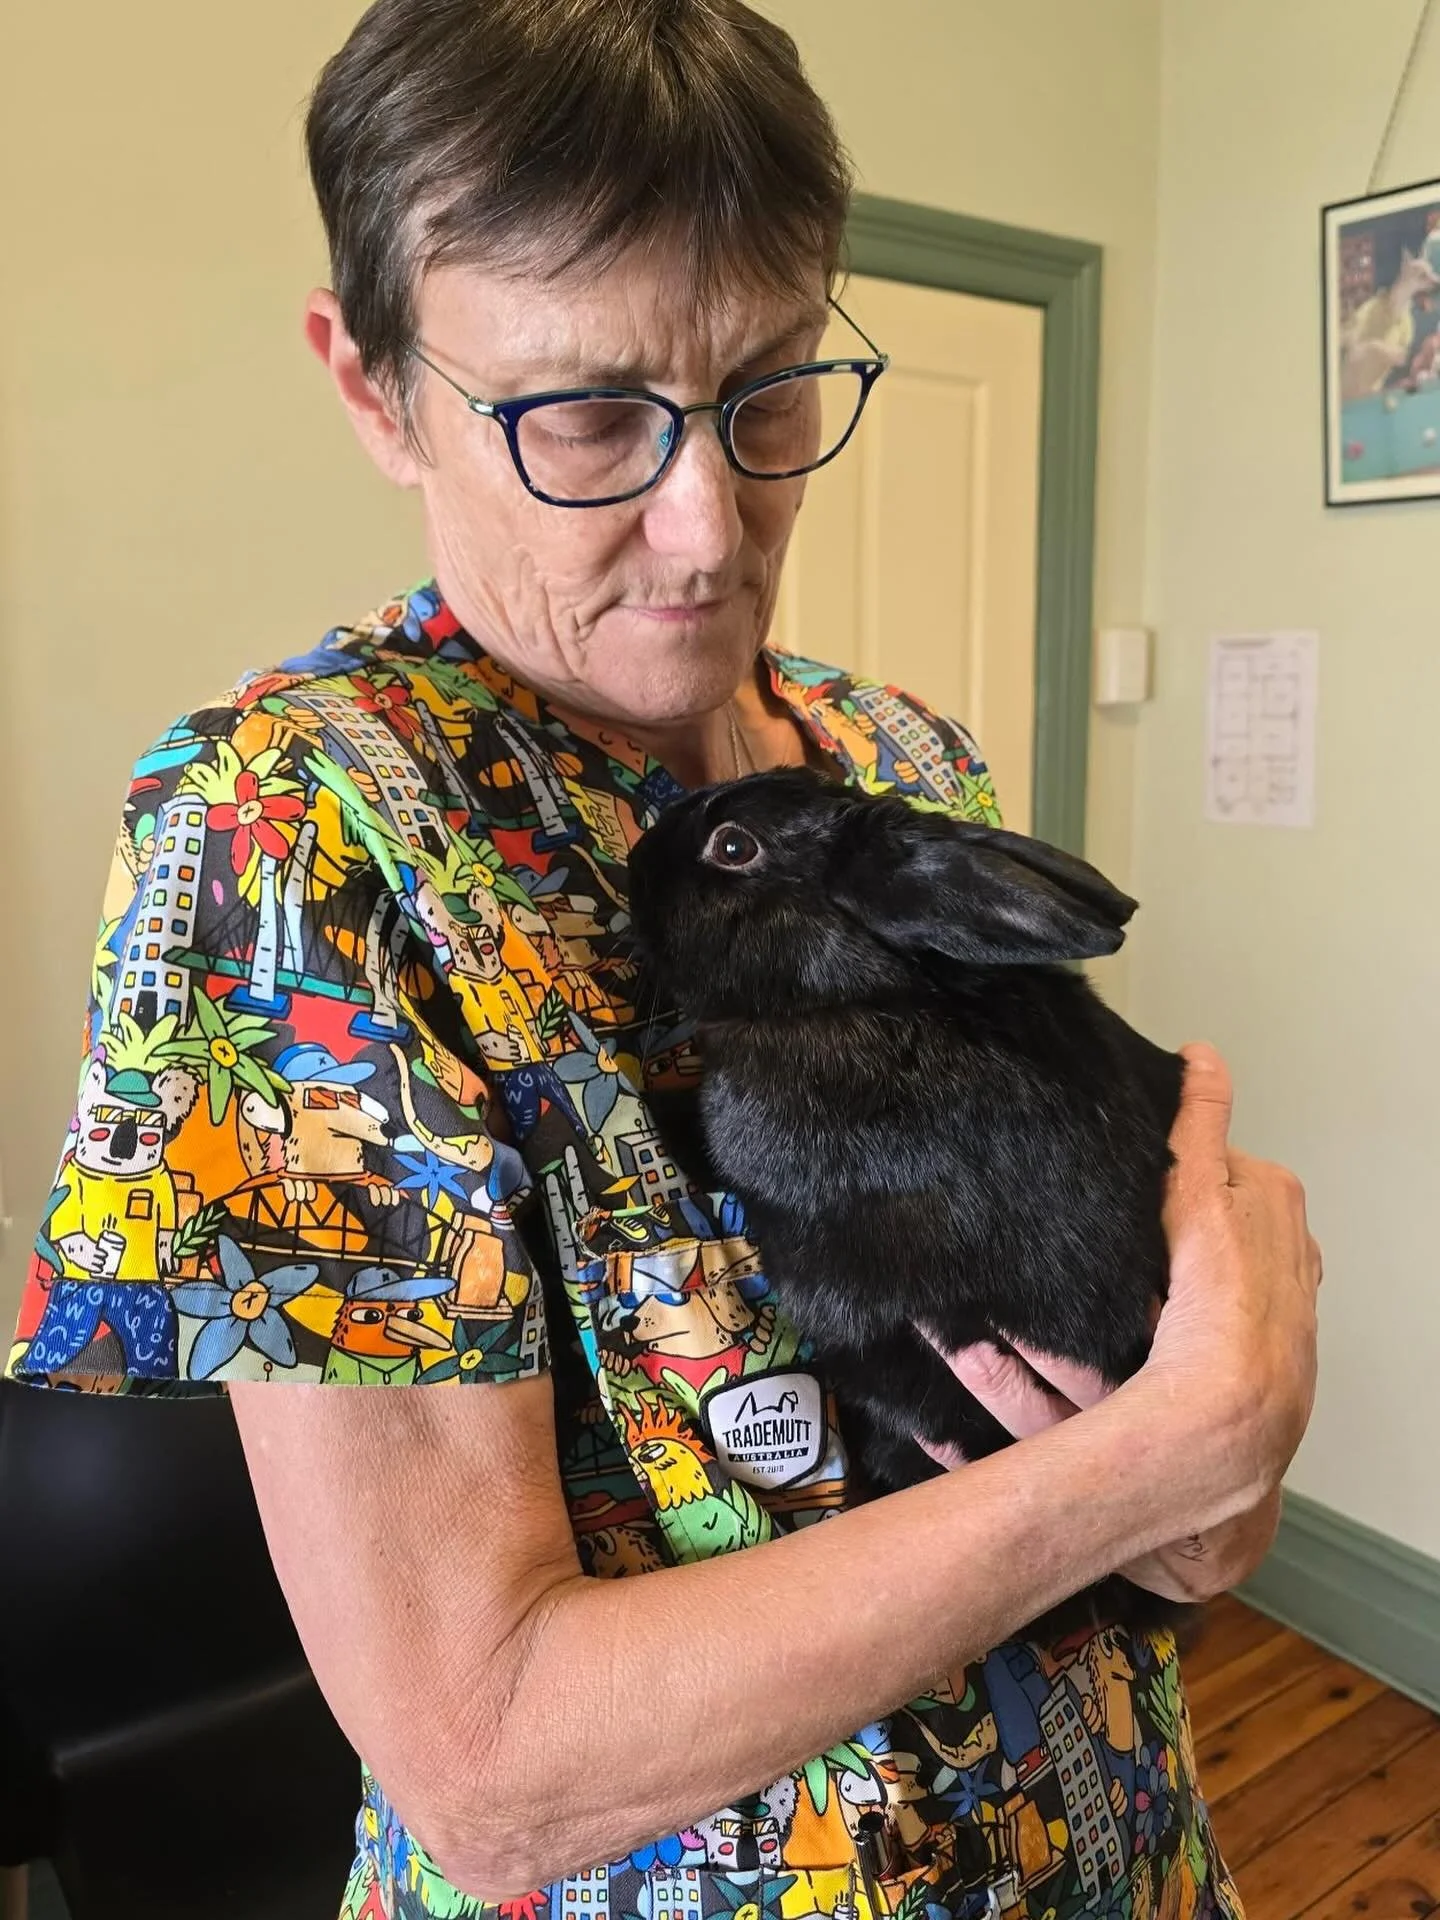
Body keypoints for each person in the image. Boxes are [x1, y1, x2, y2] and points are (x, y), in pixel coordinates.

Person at [6, 3, 1321, 1917]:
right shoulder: (289, 842)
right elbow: (495, 1766)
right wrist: (1149, 1469)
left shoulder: (894, 759)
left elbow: (1148, 1405)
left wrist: (1215, 1491)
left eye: (769, 393)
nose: (712, 531)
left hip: (1103, 1850)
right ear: (375, 391)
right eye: (588, 416)